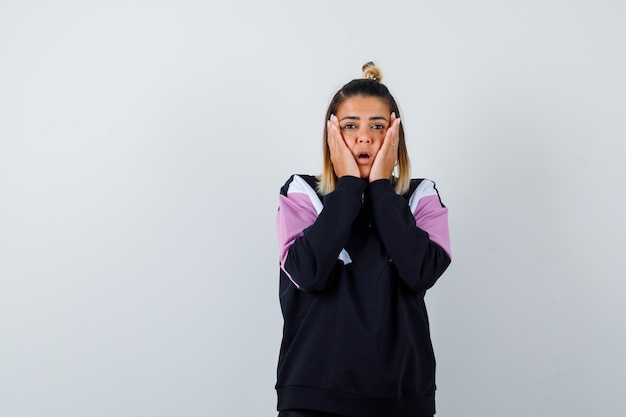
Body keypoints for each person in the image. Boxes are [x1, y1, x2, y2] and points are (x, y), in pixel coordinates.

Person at [275, 62, 452, 417]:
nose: (364, 137)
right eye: (350, 126)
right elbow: (307, 272)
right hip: (313, 397)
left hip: (403, 397)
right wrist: (349, 187)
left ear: (394, 136)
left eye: (378, 126)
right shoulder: (302, 193)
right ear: (332, 136)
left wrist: (382, 189)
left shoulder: (422, 197)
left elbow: (421, 271)